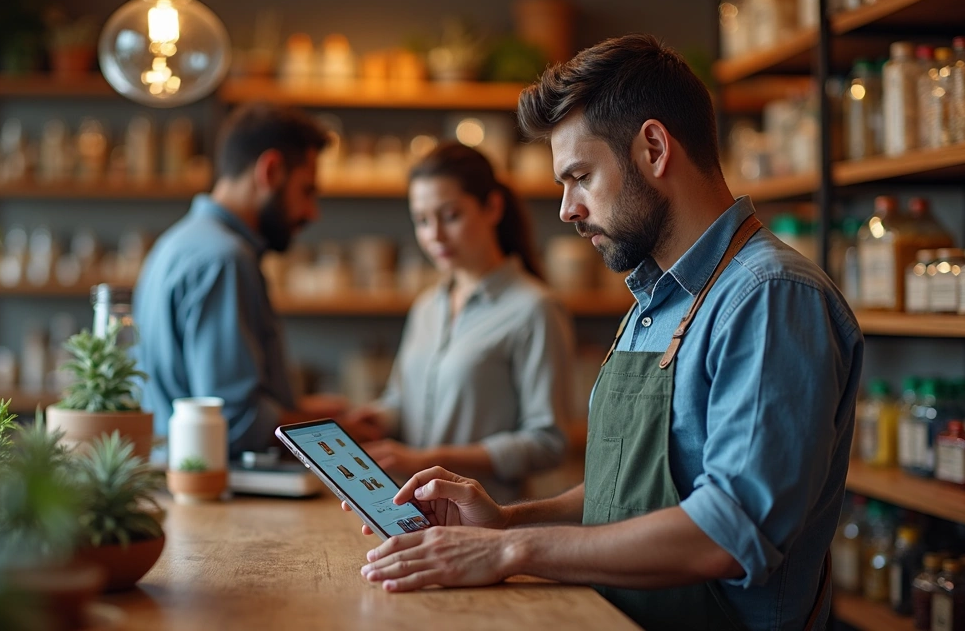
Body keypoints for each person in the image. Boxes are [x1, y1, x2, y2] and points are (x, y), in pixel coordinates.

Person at [347, 34, 863, 631]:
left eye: (581, 176)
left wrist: (512, 550)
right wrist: (506, 521)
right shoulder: (656, 298)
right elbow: (624, 494)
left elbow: (727, 532)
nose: (567, 208)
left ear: (653, 149)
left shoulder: (770, 296)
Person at [343, 143, 575, 503]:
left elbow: (548, 442)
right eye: (422, 221)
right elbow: (401, 398)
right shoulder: (426, 307)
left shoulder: (534, 309)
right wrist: (379, 418)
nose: (434, 235)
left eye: (450, 216)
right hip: (415, 513)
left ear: (492, 207)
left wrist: (430, 460)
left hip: (489, 519)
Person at [134, 102, 340, 458]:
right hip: (217, 482)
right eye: (307, 191)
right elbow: (235, 422)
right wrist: (340, 435)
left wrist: (314, 412)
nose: (312, 213)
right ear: (270, 171)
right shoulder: (224, 259)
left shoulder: (176, 243)